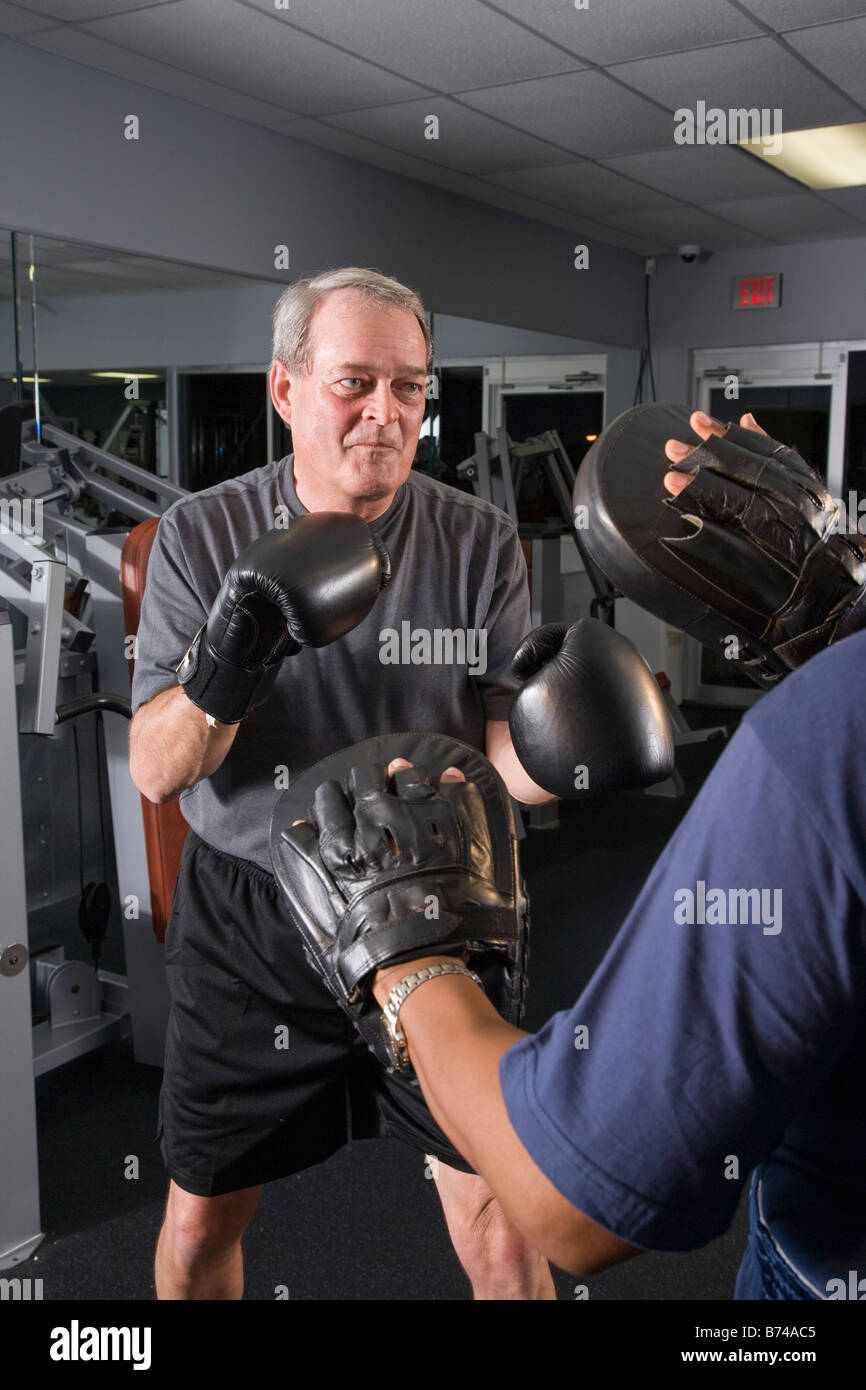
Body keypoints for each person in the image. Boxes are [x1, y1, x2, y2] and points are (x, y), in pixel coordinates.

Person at [333, 413, 866, 1299]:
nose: (386, 410)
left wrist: (410, 953)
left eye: (410, 384)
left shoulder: (823, 743)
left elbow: (571, 1202)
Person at [129, 266, 566, 1300]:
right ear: (285, 389)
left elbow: (505, 753)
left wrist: (559, 755)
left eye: (409, 386)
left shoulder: (476, 537)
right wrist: (228, 656)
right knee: (197, 1222)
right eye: (353, 381)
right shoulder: (198, 536)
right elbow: (156, 768)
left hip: (435, 907)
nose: (386, 411)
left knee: (506, 1219)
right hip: (253, 919)